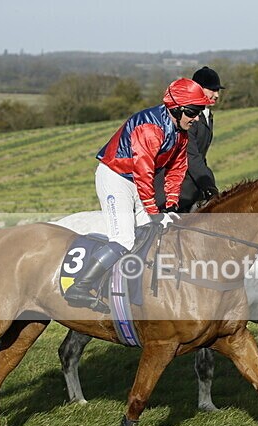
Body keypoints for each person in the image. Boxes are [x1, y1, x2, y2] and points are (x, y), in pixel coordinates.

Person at [65, 77, 214, 311]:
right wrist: (155, 212)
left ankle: (138, 291)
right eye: (193, 112)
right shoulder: (150, 128)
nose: (196, 118)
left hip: (136, 179)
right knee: (124, 238)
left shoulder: (181, 131)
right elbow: (144, 173)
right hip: (115, 177)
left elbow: (176, 170)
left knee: (156, 234)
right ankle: (80, 286)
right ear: (177, 109)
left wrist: (172, 206)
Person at [154, 66, 224, 212]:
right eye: (212, 90)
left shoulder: (207, 115)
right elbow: (191, 156)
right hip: (175, 189)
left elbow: (201, 155)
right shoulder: (188, 117)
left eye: (218, 90)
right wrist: (209, 185)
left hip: (192, 187)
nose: (216, 95)